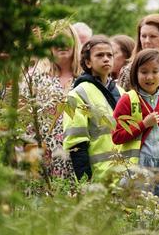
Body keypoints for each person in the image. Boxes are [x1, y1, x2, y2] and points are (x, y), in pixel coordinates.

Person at [112, 49, 159, 205]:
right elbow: (116, 136)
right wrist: (143, 124)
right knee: (139, 213)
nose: (149, 77)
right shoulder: (128, 99)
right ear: (135, 74)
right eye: (144, 72)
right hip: (137, 167)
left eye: (155, 71)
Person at [22, 26, 82, 179]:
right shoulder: (35, 75)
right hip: (41, 152)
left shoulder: (84, 77)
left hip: (76, 152)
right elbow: (22, 114)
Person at [63, 35, 122, 182]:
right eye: (100, 55)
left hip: (124, 177)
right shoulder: (76, 94)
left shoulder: (122, 92)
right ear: (88, 62)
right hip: (98, 177)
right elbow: (75, 143)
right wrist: (85, 181)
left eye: (109, 55)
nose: (106, 58)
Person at [118, 14, 159, 95]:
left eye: (153, 36)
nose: (147, 41)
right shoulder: (129, 70)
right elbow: (120, 102)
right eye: (143, 36)